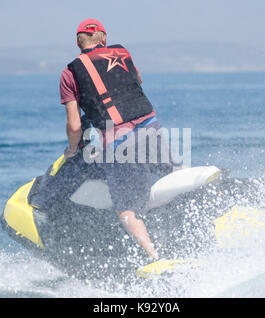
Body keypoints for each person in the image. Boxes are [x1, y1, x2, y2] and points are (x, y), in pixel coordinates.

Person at [59, 19, 180, 260]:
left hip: (119, 143)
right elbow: (137, 81)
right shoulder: (122, 53)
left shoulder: (69, 73)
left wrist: (73, 150)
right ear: (104, 39)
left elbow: (74, 125)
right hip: (151, 127)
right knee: (172, 173)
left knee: (126, 209)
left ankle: (155, 257)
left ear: (77, 42)